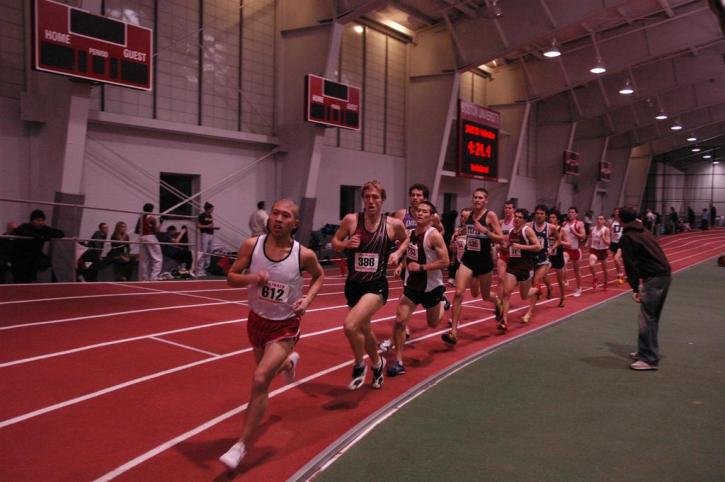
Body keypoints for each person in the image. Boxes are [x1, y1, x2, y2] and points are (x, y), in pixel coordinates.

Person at [219, 198, 324, 471]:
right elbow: (231, 277)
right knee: (265, 375)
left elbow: (319, 276)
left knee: (260, 379)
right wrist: (252, 278)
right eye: (275, 213)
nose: (278, 218)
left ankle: (241, 445)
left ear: (295, 224)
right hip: (257, 321)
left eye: (285, 215)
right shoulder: (252, 246)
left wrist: (308, 300)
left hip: (285, 325)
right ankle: (290, 362)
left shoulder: (304, 255)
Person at [332, 180, 408, 390]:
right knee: (364, 330)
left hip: (376, 286)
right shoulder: (351, 220)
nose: (371, 201)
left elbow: (406, 239)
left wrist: (397, 253)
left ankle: (359, 364)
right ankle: (377, 363)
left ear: (382, 200)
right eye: (367, 197)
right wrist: (346, 244)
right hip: (353, 285)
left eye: (375, 197)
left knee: (350, 325)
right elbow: (335, 243)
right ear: (363, 199)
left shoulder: (393, 224)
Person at [387, 201, 450, 376]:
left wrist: (422, 268)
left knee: (433, 323)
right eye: (418, 211)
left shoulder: (434, 235)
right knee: (400, 321)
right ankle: (398, 362)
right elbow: (405, 250)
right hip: (412, 286)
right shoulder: (410, 233)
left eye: (424, 211)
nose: (420, 213)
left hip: (431, 287)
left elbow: (446, 262)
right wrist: (399, 261)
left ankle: (443, 304)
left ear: (431, 216)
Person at [443, 187, 504, 345]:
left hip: (484, 261)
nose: (477, 200)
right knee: (458, 292)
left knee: (484, 296)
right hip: (468, 259)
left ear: (486, 200)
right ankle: (453, 332)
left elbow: (501, 239)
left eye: (480, 197)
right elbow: (469, 229)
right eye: (475, 197)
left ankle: (497, 301)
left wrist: (485, 231)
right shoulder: (469, 215)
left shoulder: (490, 215)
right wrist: (458, 235)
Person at [618, 206, 672, 371]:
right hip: (664, 274)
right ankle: (645, 352)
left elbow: (630, 264)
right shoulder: (644, 230)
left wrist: (635, 288)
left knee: (647, 318)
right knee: (652, 317)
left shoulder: (627, 237)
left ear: (620, 219)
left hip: (654, 278)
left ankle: (649, 359)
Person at [499, 208, 541, 330]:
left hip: (525, 266)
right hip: (512, 265)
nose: (516, 219)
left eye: (519, 217)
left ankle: (536, 290)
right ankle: (504, 321)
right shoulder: (511, 231)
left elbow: (538, 246)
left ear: (524, 220)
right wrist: (505, 247)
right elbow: (511, 247)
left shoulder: (527, 231)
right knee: (506, 292)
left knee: (524, 295)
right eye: (515, 216)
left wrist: (521, 246)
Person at [10, 210, 64, 283]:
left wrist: (46, 236)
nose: (40, 222)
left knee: (29, 281)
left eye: (42, 220)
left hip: (33, 260)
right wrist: (42, 237)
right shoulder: (25, 227)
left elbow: (60, 234)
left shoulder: (44, 228)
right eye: (37, 220)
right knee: (19, 281)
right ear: (32, 220)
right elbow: (20, 232)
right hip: (19, 259)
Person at [561, 207, 586, 296]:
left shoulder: (579, 224)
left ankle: (579, 288)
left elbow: (583, 236)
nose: (570, 214)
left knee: (577, 271)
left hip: (575, 250)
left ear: (576, 214)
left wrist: (574, 231)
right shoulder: (564, 224)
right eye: (569, 212)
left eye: (572, 212)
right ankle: (565, 280)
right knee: (562, 265)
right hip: (566, 249)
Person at [547, 211, 569, 307]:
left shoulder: (562, 230)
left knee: (560, 280)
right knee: (543, 275)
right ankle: (549, 287)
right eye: (550, 217)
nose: (551, 219)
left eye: (553, 217)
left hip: (558, 256)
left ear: (557, 219)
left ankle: (563, 298)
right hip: (549, 256)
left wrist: (559, 242)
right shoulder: (546, 228)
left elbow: (569, 243)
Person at [496, 200, 516, 301]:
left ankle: (506, 298)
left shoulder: (516, 222)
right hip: (503, 253)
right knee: (500, 278)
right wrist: (498, 245)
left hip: (514, 255)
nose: (507, 210)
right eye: (505, 208)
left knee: (512, 282)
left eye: (509, 208)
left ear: (513, 210)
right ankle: (500, 304)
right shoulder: (500, 222)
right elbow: (497, 236)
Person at [136, 203, 162, 281]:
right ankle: (154, 277)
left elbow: (137, 230)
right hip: (150, 236)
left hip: (142, 237)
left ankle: (143, 279)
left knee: (144, 260)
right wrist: (160, 223)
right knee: (158, 258)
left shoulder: (140, 217)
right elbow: (157, 231)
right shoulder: (151, 217)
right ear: (151, 209)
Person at [588, 215, 611, 290]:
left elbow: (608, 243)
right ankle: (595, 278)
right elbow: (590, 237)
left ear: (604, 221)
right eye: (597, 219)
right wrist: (588, 244)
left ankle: (605, 282)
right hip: (594, 249)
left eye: (601, 219)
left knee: (604, 269)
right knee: (591, 265)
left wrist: (603, 238)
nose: (599, 220)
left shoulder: (606, 229)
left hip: (603, 250)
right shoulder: (593, 228)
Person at [197, 202, 218, 277]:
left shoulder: (210, 216)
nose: (212, 210)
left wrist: (213, 228)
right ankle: (199, 269)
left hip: (211, 234)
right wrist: (208, 226)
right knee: (204, 252)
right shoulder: (201, 216)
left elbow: (210, 226)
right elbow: (198, 225)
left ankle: (205, 268)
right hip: (204, 234)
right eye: (212, 209)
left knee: (209, 251)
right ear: (208, 209)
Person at [609, 208, 625, 284]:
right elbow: (610, 231)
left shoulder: (623, 222)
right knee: (615, 260)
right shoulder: (612, 222)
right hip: (613, 242)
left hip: (621, 243)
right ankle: (618, 272)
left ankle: (621, 274)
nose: (617, 213)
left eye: (618, 212)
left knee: (616, 259)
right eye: (616, 212)